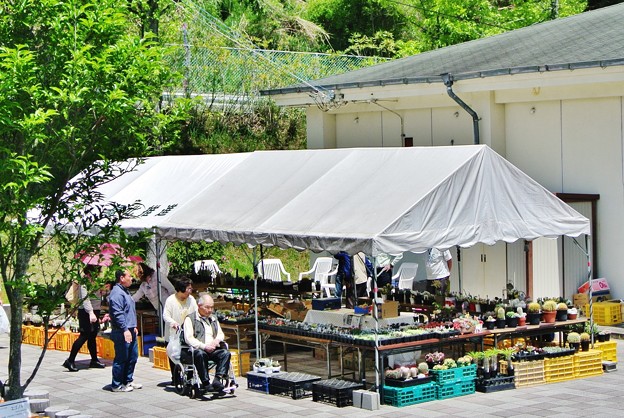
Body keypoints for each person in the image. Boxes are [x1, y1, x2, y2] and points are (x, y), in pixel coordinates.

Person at [182, 294, 231, 392]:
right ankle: (205, 382)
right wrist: (204, 346)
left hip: (213, 349)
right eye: (207, 307)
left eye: (212, 307)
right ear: (199, 306)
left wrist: (216, 340)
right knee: (200, 354)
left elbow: (220, 334)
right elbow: (189, 338)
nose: (210, 310)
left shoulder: (213, 318)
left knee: (226, 353)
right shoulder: (190, 319)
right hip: (198, 349)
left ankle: (217, 379)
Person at [62, 265, 106, 372]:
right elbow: (85, 299)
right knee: (84, 335)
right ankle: (70, 360)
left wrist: (103, 291)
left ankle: (94, 360)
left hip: (95, 310)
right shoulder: (85, 281)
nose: (99, 272)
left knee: (92, 335)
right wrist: (91, 313)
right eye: (98, 270)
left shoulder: (95, 281)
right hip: (86, 311)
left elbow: (96, 296)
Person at [109, 269, 140, 392]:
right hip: (122, 331)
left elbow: (128, 311)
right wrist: (125, 329)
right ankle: (116, 384)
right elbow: (118, 313)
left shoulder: (124, 291)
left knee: (132, 356)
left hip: (130, 329)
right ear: (122, 278)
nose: (132, 278)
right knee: (122, 357)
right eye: (129, 276)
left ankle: (127, 381)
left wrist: (133, 326)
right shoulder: (117, 293)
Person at [163, 276, 197, 382]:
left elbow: (196, 313)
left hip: (188, 334)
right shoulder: (171, 300)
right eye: (189, 289)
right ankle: (176, 378)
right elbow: (166, 315)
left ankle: (190, 377)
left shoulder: (191, 300)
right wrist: (172, 322)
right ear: (181, 289)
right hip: (173, 334)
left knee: (189, 355)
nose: (190, 291)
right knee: (174, 355)